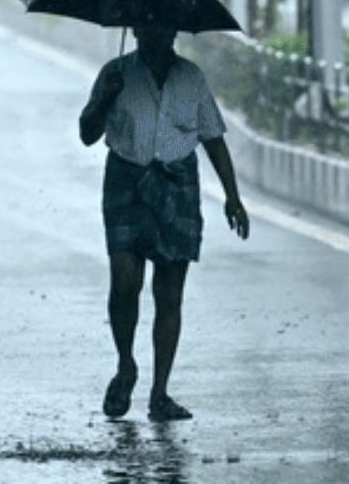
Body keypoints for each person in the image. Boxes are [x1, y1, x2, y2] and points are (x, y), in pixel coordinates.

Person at [79, 24, 250, 422]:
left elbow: (213, 137)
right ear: (136, 30)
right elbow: (87, 134)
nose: (157, 37)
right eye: (149, 27)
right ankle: (126, 365)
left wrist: (232, 196)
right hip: (126, 183)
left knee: (169, 294)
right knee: (124, 282)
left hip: (178, 186)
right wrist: (104, 97)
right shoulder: (115, 73)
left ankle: (160, 393)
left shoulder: (192, 78)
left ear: (173, 33)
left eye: (164, 29)